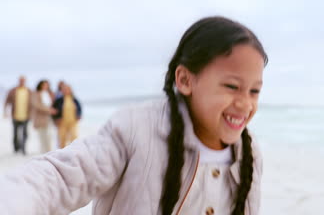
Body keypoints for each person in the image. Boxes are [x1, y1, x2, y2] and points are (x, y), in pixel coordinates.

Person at [0, 16, 268, 214]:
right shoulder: (136, 129)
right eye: (232, 87)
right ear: (185, 79)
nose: (245, 104)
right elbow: (61, 176)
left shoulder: (249, 152)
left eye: (254, 91)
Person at [3, 75, 33, 155]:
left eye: (23, 80)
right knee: (15, 134)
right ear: (18, 81)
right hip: (15, 116)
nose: (22, 82)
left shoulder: (29, 91)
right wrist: (5, 111)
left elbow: (33, 103)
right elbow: (7, 101)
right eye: (21, 80)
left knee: (25, 133)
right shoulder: (13, 90)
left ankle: (23, 148)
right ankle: (16, 149)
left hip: (26, 116)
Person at [52, 84, 82, 149]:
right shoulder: (58, 100)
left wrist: (79, 115)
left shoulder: (74, 99)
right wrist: (56, 119)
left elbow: (79, 108)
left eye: (68, 89)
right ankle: (62, 152)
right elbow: (53, 111)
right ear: (62, 91)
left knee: (74, 136)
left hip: (73, 122)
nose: (66, 91)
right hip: (62, 122)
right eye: (64, 90)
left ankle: (74, 150)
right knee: (62, 138)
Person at [31, 80, 57, 153]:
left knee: (49, 136)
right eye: (44, 85)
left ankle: (49, 151)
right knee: (42, 136)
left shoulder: (49, 94)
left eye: (47, 85)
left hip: (49, 118)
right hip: (40, 118)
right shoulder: (36, 94)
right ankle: (43, 152)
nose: (46, 86)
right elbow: (36, 105)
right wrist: (48, 110)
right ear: (40, 85)